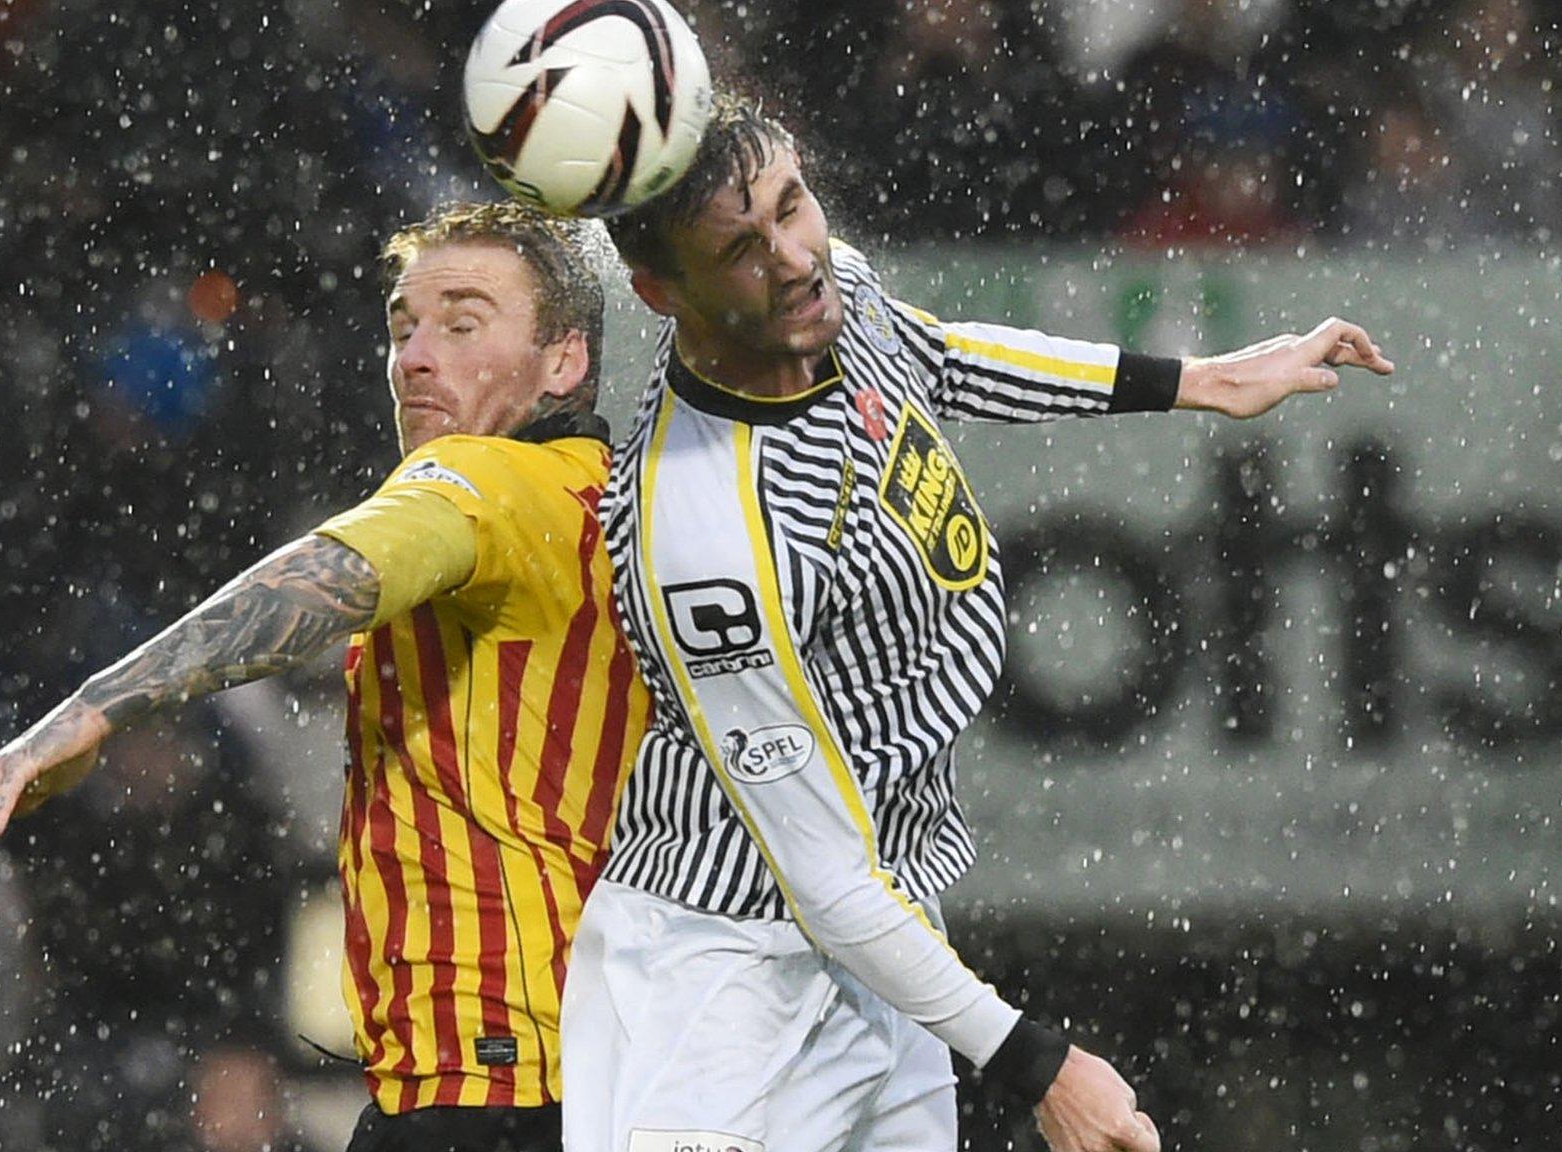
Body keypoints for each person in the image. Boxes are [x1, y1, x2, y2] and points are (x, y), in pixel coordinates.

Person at [562, 95, 1394, 1152]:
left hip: (884, 926)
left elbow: (940, 357)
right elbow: (815, 878)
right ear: (658, 291)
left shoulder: (827, 297)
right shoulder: (703, 533)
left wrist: (1203, 380)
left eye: (792, 206)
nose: (791, 258)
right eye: (739, 249)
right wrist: (1040, 1067)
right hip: (725, 978)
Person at [0, 201, 649, 1152]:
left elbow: (330, 574)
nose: (416, 356)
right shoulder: (616, 501)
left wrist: (97, 706)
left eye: (463, 325)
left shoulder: (486, 483)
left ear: (565, 361)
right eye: (402, 325)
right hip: (595, 1069)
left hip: (486, 1082)